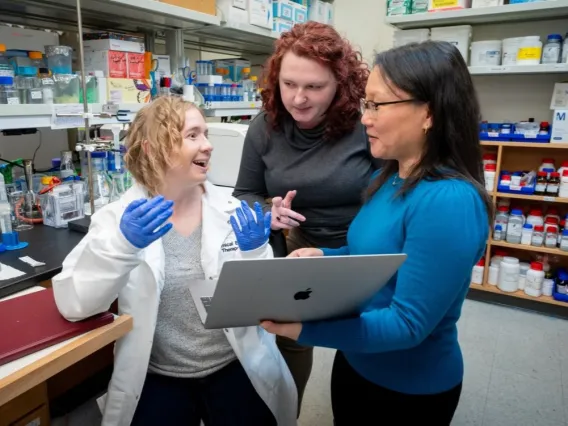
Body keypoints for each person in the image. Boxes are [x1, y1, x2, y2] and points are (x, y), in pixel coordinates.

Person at [261, 40, 492, 425]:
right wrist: (326, 256)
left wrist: (303, 328)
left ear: (428, 113)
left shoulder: (448, 201)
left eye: (376, 105)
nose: (365, 118)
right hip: (357, 362)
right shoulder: (390, 175)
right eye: (366, 104)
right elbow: (372, 255)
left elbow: (409, 324)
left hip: (408, 389)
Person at [51, 96, 297, 426]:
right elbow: (75, 304)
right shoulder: (120, 220)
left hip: (234, 364)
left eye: (205, 134)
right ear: (153, 149)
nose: (208, 146)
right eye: (193, 135)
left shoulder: (232, 212)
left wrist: (256, 252)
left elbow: (268, 303)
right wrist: (122, 247)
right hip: (158, 374)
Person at [232, 21, 382, 412]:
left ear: (341, 85)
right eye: (288, 84)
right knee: (291, 338)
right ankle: (287, 413)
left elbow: (392, 195)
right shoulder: (263, 128)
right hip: (297, 245)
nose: (297, 99)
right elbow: (244, 194)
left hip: (360, 243)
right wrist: (268, 212)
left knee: (367, 337)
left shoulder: (365, 128)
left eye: (314, 87)